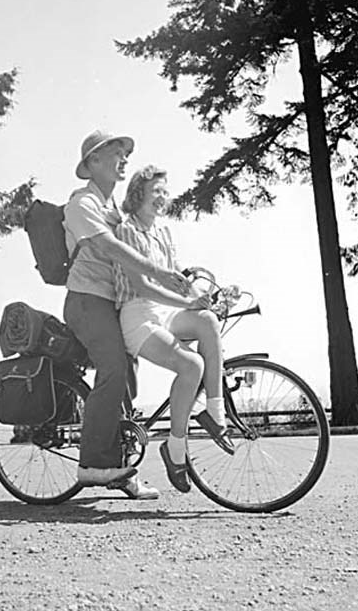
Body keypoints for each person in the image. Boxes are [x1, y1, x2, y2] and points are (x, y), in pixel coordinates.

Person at [63, 131, 191, 500]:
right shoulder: (82, 204)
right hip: (87, 301)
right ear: (92, 162)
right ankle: (91, 463)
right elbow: (109, 247)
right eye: (115, 153)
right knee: (114, 369)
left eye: (125, 155)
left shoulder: (114, 209)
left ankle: (120, 467)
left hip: (111, 304)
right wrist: (158, 271)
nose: (123, 160)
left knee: (128, 379)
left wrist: (179, 272)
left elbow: (141, 241)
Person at [112, 164, 234, 494]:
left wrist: (203, 300)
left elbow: (178, 281)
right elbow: (144, 286)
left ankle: (214, 413)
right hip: (139, 315)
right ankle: (174, 449)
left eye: (166, 192)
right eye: (156, 192)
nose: (163, 198)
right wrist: (186, 303)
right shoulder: (127, 231)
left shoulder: (164, 232)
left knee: (208, 322)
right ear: (138, 193)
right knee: (191, 365)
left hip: (167, 310)